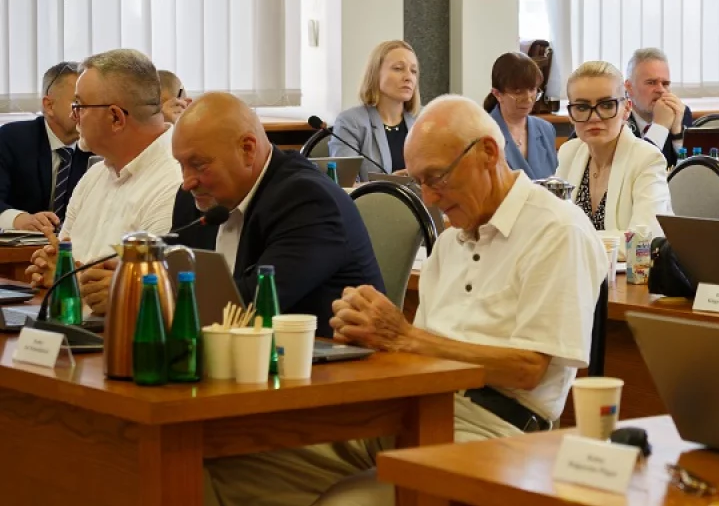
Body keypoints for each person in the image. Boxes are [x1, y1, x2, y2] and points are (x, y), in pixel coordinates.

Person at [203, 96, 607, 506]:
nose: (429, 197)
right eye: (419, 182)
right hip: (412, 414)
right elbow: (422, 355)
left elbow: (529, 368)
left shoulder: (556, 231)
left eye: (437, 177)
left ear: (488, 152)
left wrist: (404, 338)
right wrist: (370, 340)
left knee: (346, 504)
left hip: (494, 434)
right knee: (220, 469)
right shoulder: (450, 244)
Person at [168, 93, 384, 336]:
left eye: (199, 165)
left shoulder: (308, 202)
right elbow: (172, 284)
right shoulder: (194, 198)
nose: (187, 181)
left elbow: (250, 307)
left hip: (322, 356)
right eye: (181, 165)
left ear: (247, 149)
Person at [25, 49, 181, 315]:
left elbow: (155, 291)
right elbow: (63, 266)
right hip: (74, 328)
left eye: (79, 106)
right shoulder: (94, 176)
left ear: (116, 117)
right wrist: (55, 269)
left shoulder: (176, 182)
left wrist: (71, 280)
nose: (73, 116)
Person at [556, 61, 673, 238]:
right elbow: (554, 227)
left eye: (606, 105)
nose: (594, 117)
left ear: (626, 109)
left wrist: (578, 240)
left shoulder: (647, 159)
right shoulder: (569, 152)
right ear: (570, 114)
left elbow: (644, 238)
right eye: (582, 107)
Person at [0, 62, 92, 232]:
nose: (89, 111)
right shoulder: (10, 139)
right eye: (78, 103)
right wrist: (19, 219)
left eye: (93, 103)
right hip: (20, 245)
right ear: (49, 106)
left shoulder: (99, 147)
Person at [329, 40, 421, 181]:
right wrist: (389, 183)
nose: (408, 77)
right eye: (398, 68)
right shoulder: (351, 122)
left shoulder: (424, 121)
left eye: (413, 71)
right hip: (373, 196)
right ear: (375, 74)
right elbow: (345, 184)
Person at [482, 52, 558, 179]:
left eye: (532, 89)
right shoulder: (483, 133)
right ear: (497, 94)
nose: (528, 99)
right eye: (518, 92)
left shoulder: (546, 129)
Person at [624, 48, 693, 167]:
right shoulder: (617, 117)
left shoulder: (681, 112)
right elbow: (635, 168)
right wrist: (660, 127)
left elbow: (693, 171)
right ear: (629, 87)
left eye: (665, 84)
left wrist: (677, 134)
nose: (661, 90)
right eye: (651, 82)